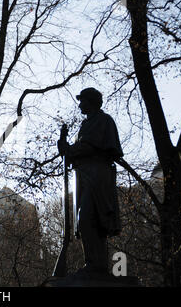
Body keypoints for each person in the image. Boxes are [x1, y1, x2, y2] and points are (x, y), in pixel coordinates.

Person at [58, 87, 123, 276]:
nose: (80, 105)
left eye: (83, 101)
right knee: (87, 220)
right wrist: (64, 142)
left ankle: (96, 265)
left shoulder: (103, 120)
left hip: (97, 175)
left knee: (89, 218)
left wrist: (70, 149)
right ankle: (95, 264)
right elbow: (73, 152)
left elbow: (87, 147)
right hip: (84, 176)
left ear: (92, 101)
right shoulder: (85, 125)